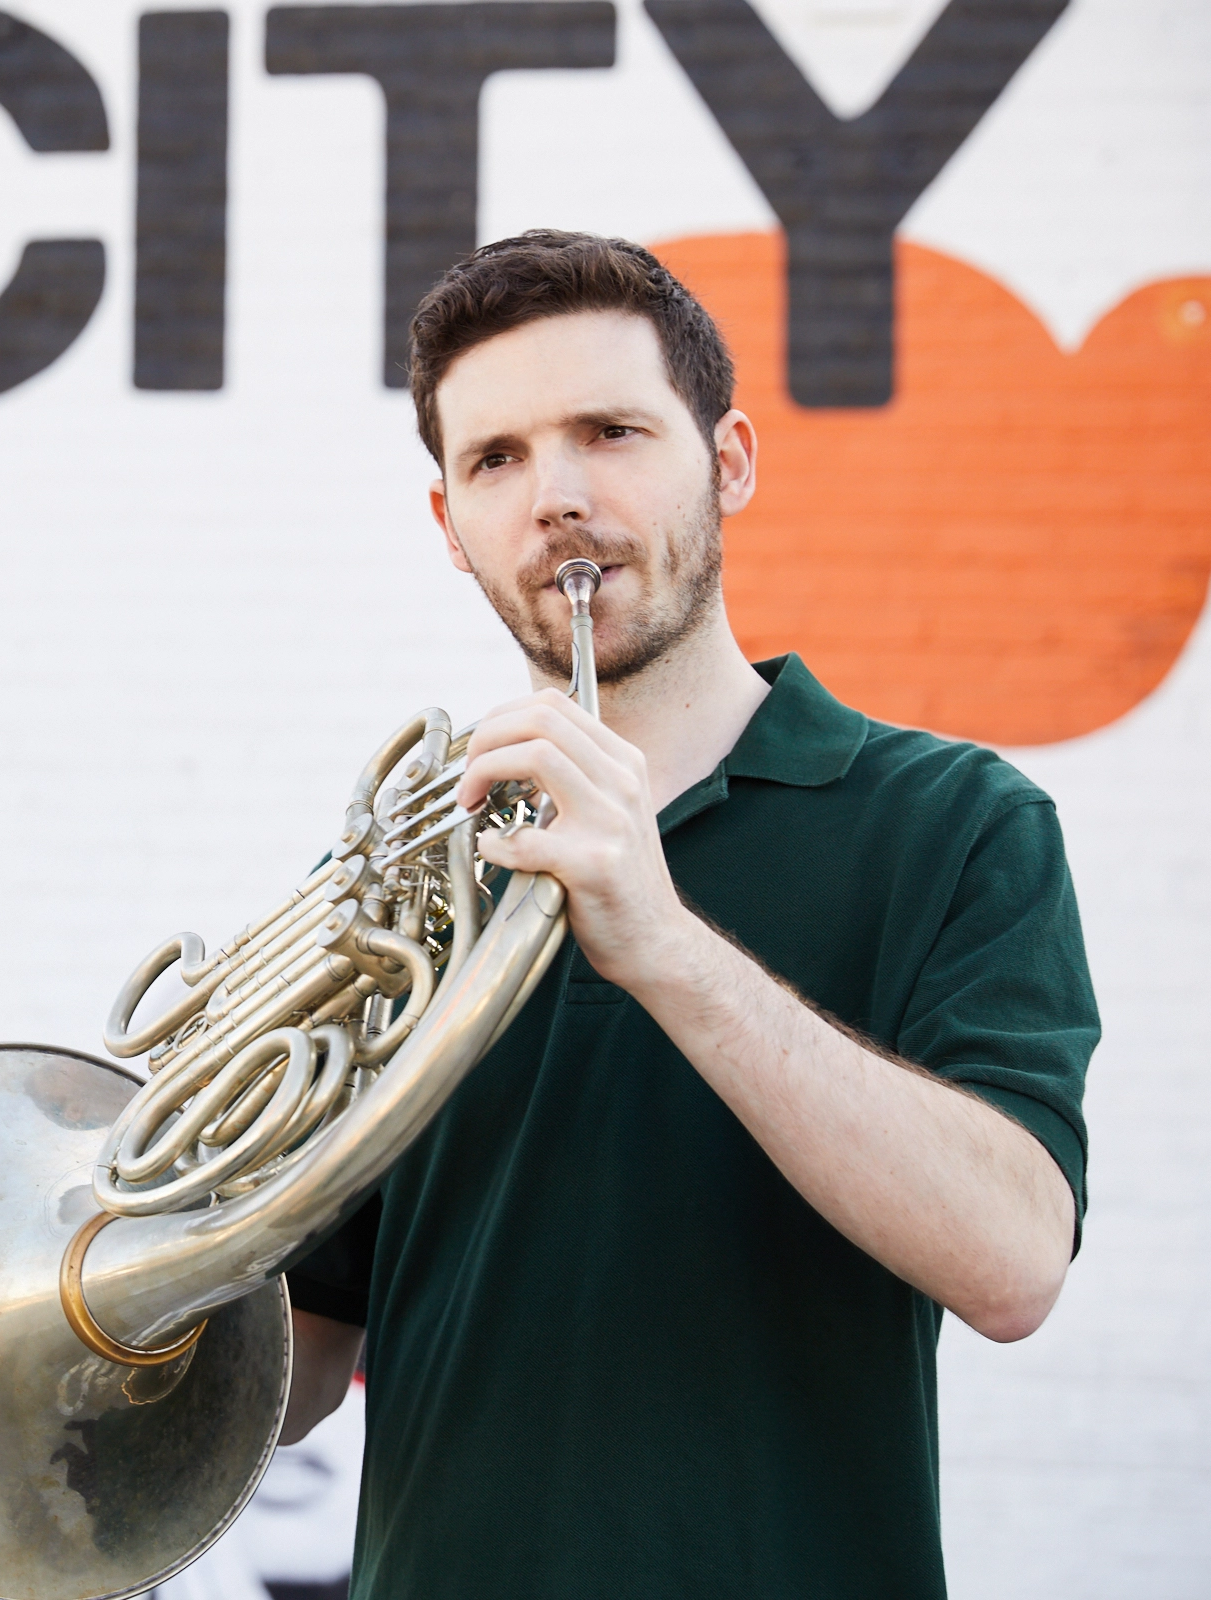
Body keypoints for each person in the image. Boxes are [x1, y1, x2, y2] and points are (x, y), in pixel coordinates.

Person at [275, 232, 1097, 1599]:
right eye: (497, 460)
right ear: (450, 528)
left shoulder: (955, 823)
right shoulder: (397, 880)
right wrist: (129, 1296)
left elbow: (1014, 1264)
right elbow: (297, 1374)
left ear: (729, 463)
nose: (559, 499)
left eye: (611, 433)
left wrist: (661, 942)